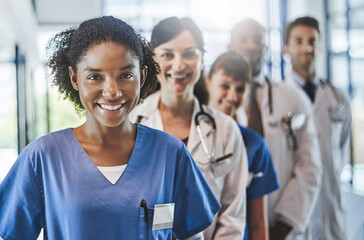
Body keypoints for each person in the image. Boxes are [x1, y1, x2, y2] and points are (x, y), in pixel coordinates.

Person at [0, 16, 221, 240]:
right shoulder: (42, 158)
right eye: (95, 77)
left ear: (142, 76)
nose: (112, 91)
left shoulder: (170, 155)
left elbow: (192, 236)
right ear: (75, 79)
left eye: (125, 75)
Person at [130, 17, 248, 239]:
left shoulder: (225, 129)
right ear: (152, 62)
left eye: (189, 54)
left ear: (202, 60)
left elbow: (233, 213)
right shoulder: (132, 122)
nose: (179, 65)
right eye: (167, 55)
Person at [229, 18, 321, 240]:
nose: (251, 45)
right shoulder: (216, 101)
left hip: (281, 226)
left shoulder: (293, 98)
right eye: (243, 40)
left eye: (258, 40)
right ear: (230, 48)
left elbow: (310, 166)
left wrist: (283, 226)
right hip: (229, 227)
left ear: (266, 48)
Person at [283, 16, 352, 240]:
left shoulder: (337, 96)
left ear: (319, 46)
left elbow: (341, 147)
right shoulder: (278, 98)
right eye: (299, 40)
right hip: (295, 220)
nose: (307, 47)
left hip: (332, 214)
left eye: (312, 41)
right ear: (286, 48)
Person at [203, 51, 280, 240]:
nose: (232, 96)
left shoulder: (254, 146)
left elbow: (257, 224)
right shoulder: (187, 134)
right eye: (224, 85)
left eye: (240, 89)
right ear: (207, 83)